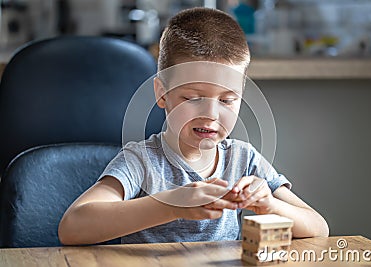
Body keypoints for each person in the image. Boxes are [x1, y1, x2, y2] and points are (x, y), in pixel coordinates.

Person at [58, 7, 329, 245]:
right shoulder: (140, 161)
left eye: (227, 100)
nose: (211, 114)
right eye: (192, 98)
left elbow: (319, 228)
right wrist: (171, 206)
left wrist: (267, 204)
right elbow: (72, 227)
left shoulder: (244, 160)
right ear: (162, 93)